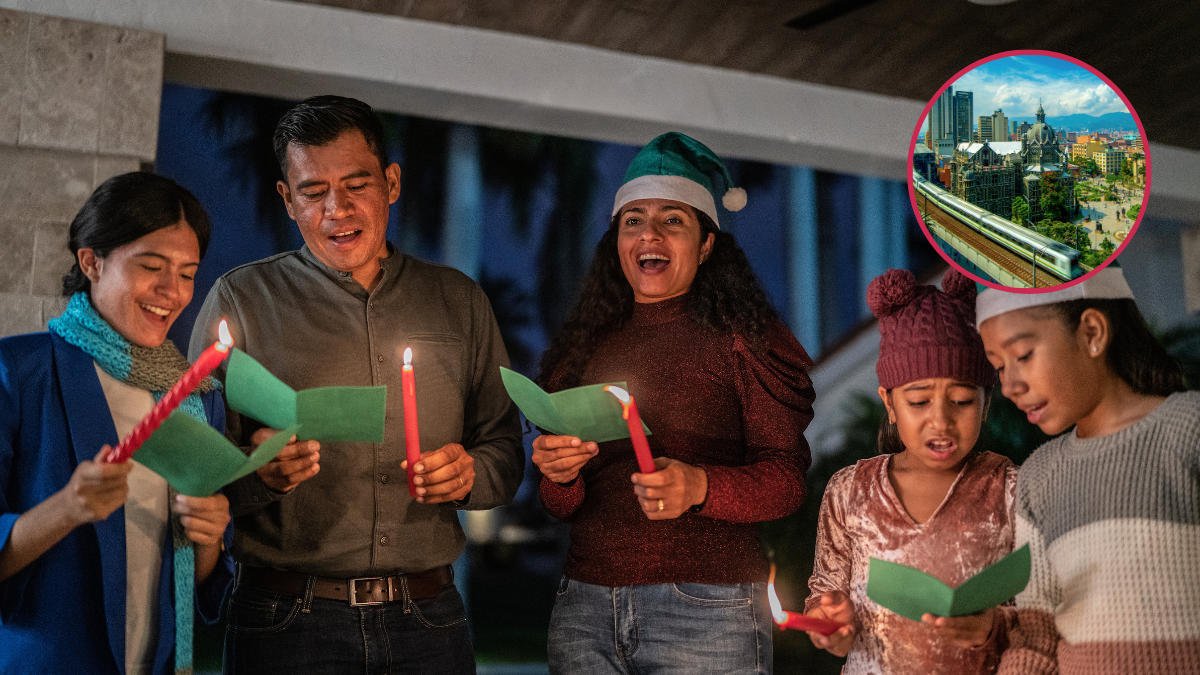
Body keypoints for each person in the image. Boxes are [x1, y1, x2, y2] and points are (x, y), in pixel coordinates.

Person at [189, 95, 524, 675]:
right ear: (286, 199)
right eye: (313, 191)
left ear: (391, 183)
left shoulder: (458, 302)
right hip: (284, 622)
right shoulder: (241, 302)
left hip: (429, 618)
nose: (336, 210)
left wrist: (471, 473)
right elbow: (195, 472)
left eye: (356, 184)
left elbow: (504, 449)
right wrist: (257, 474)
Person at [532, 132, 815, 674]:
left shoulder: (743, 339)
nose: (649, 234)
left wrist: (700, 486)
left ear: (707, 244)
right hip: (584, 609)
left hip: (709, 612)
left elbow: (786, 482)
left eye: (673, 220)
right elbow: (560, 505)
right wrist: (558, 474)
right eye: (633, 219)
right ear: (616, 239)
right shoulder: (582, 348)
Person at [0, 172, 234, 675]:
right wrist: (67, 507)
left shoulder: (196, 398)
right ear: (92, 261)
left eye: (188, 273)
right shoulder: (18, 373)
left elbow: (197, 583)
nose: (172, 292)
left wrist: (210, 538)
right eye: (151, 266)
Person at [975, 266, 1198, 675]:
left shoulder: (1189, 429)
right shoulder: (1038, 477)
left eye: (1023, 355)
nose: (1009, 386)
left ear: (1093, 333)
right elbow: (1037, 638)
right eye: (999, 367)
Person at [805, 268, 1015, 674]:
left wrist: (993, 626)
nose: (941, 420)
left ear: (986, 403)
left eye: (961, 401)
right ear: (889, 402)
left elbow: (1045, 613)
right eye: (919, 402)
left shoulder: (1009, 489)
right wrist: (829, 622)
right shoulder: (850, 492)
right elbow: (825, 594)